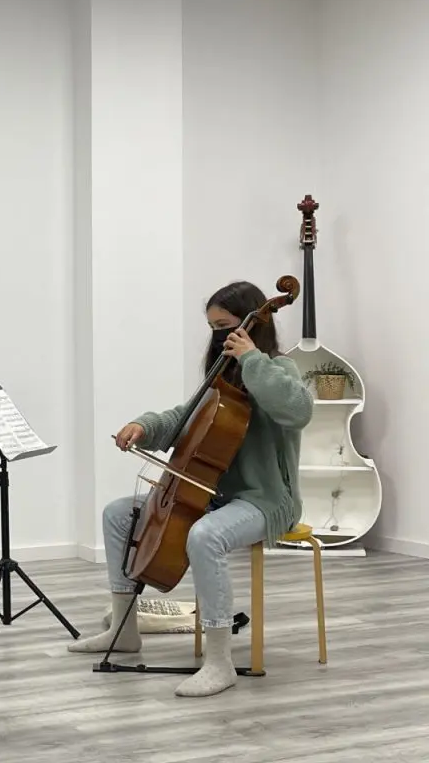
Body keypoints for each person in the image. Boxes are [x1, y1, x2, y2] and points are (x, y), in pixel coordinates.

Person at [68, 280, 313, 698]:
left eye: (225, 327)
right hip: (215, 495)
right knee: (117, 514)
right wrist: (144, 426)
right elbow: (184, 416)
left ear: (253, 324)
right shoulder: (221, 379)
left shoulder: (277, 369)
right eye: (213, 328)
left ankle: (219, 662)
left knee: (205, 535)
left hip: (266, 500)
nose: (218, 336)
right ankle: (124, 630)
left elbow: (298, 410)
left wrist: (252, 359)